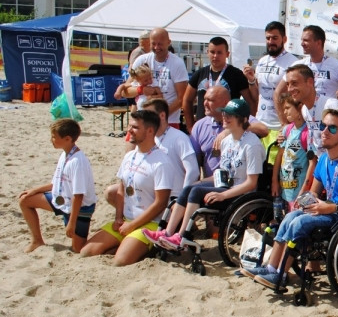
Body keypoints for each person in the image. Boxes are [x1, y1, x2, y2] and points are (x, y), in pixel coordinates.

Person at [244, 106, 338, 290]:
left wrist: (332, 208)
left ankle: (281, 274)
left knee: (299, 223)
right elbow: (314, 191)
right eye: (322, 126)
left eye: (332, 128)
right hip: (326, 209)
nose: (324, 131)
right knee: (289, 217)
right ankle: (272, 267)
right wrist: (305, 200)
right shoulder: (324, 159)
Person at [143, 99, 265, 251]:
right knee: (190, 188)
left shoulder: (251, 145)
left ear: (243, 119)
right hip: (226, 185)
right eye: (225, 114)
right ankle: (167, 232)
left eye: (230, 116)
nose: (225, 118)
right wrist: (201, 181)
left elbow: (251, 183)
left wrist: (223, 195)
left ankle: (182, 236)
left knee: (196, 191)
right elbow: (223, 174)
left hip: (241, 193)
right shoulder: (227, 141)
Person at [79, 110, 175, 266]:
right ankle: (126, 245)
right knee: (86, 253)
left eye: (135, 127)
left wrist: (133, 225)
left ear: (150, 131)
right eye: (130, 126)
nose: (129, 130)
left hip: (148, 223)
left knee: (120, 262)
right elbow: (121, 190)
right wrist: (118, 217)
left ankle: (145, 247)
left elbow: (160, 203)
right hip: (125, 220)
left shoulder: (161, 162)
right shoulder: (129, 156)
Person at [18, 119, 97, 253]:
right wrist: (34, 190)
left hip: (79, 208)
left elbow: (78, 196)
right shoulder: (64, 154)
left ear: (67, 139)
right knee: (25, 200)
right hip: (62, 199)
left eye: (54, 137)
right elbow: (55, 183)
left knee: (79, 249)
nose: (51, 140)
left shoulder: (78, 161)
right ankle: (37, 241)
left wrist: (71, 223)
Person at [189, 85, 268, 178]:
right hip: (212, 181)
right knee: (192, 189)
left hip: (236, 182)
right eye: (204, 99)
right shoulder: (200, 126)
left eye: (210, 100)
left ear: (225, 102)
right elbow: (194, 162)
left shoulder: (238, 117)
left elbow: (264, 130)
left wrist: (229, 130)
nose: (205, 103)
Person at [242, 21, 297, 147]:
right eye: (268, 38)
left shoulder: (293, 62)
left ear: (284, 39)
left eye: (275, 38)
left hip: (280, 123)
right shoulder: (261, 61)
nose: (270, 41)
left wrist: (284, 124)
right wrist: (251, 80)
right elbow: (257, 96)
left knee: (275, 165)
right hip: (260, 121)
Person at [182, 36, 252, 131]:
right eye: (212, 52)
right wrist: (190, 126)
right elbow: (187, 100)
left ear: (227, 54)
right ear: (207, 53)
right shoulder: (199, 73)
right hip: (202, 129)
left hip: (228, 129)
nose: (215, 56)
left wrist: (245, 126)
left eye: (219, 52)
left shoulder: (237, 75)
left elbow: (250, 102)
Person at [130, 27, 189, 129]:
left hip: (168, 122)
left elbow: (181, 98)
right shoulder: (141, 60)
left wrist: (162, 116)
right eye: (153, 43)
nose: (157, 47)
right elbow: (126, 91)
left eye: (160, 44)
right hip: (143, 121)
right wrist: (141, 90)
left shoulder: (177, 63)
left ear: (168, 42)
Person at [273, 93, 315, 209]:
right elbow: (280, 155)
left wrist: (304, 190)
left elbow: (313, 163)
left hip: (299, 190)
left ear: (300, 108)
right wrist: (274, 181)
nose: (285, 112)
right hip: (285, 188)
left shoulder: (307, 133)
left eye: (287, 108)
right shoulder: (287, 129)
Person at [293, 24, 338, 111]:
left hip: (327, 117)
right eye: (302, 40)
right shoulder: (298, 66)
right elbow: (283, 91)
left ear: (319, 43)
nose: (302, 44)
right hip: (305, 117)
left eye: (306, 40)